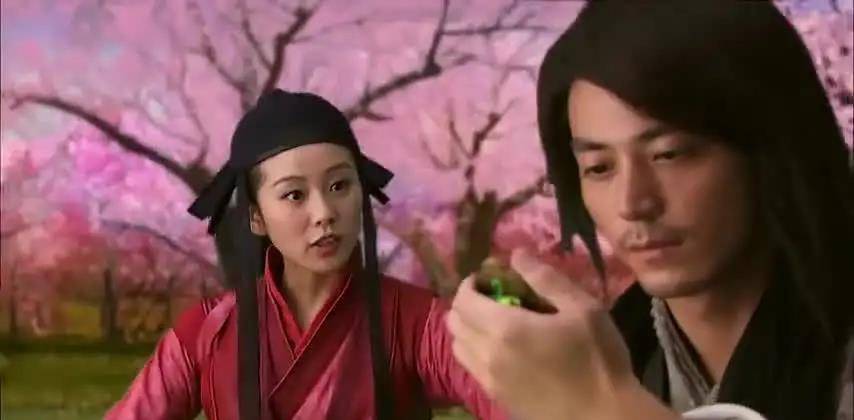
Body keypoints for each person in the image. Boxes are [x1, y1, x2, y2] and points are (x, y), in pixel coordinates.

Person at [446, 2, 854, 420]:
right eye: (599, 168)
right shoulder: (625, 346)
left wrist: (601, 404)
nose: (633, 203)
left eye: (669, 154)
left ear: (769, 145)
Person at [106, 89, 508, 420]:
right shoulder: (207, 332)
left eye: (339, 186)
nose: (324, 213)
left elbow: (518, 402)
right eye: (294, 194)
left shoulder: (417, 322)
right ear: (256, 217)